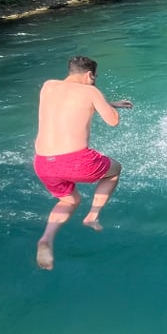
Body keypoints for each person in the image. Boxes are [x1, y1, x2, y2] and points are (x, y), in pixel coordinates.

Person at [33, 56, 133, 270]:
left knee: (68, 201)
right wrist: (107, 104)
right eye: (94, 77)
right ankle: (92, 216)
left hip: (43, 163)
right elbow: (113, 121)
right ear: (89, 74)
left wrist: (106, 103)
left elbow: (67, 106)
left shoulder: (48, 86)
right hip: (75, 161)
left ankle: (46, 238)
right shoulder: (91, 91)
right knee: (114, 170)